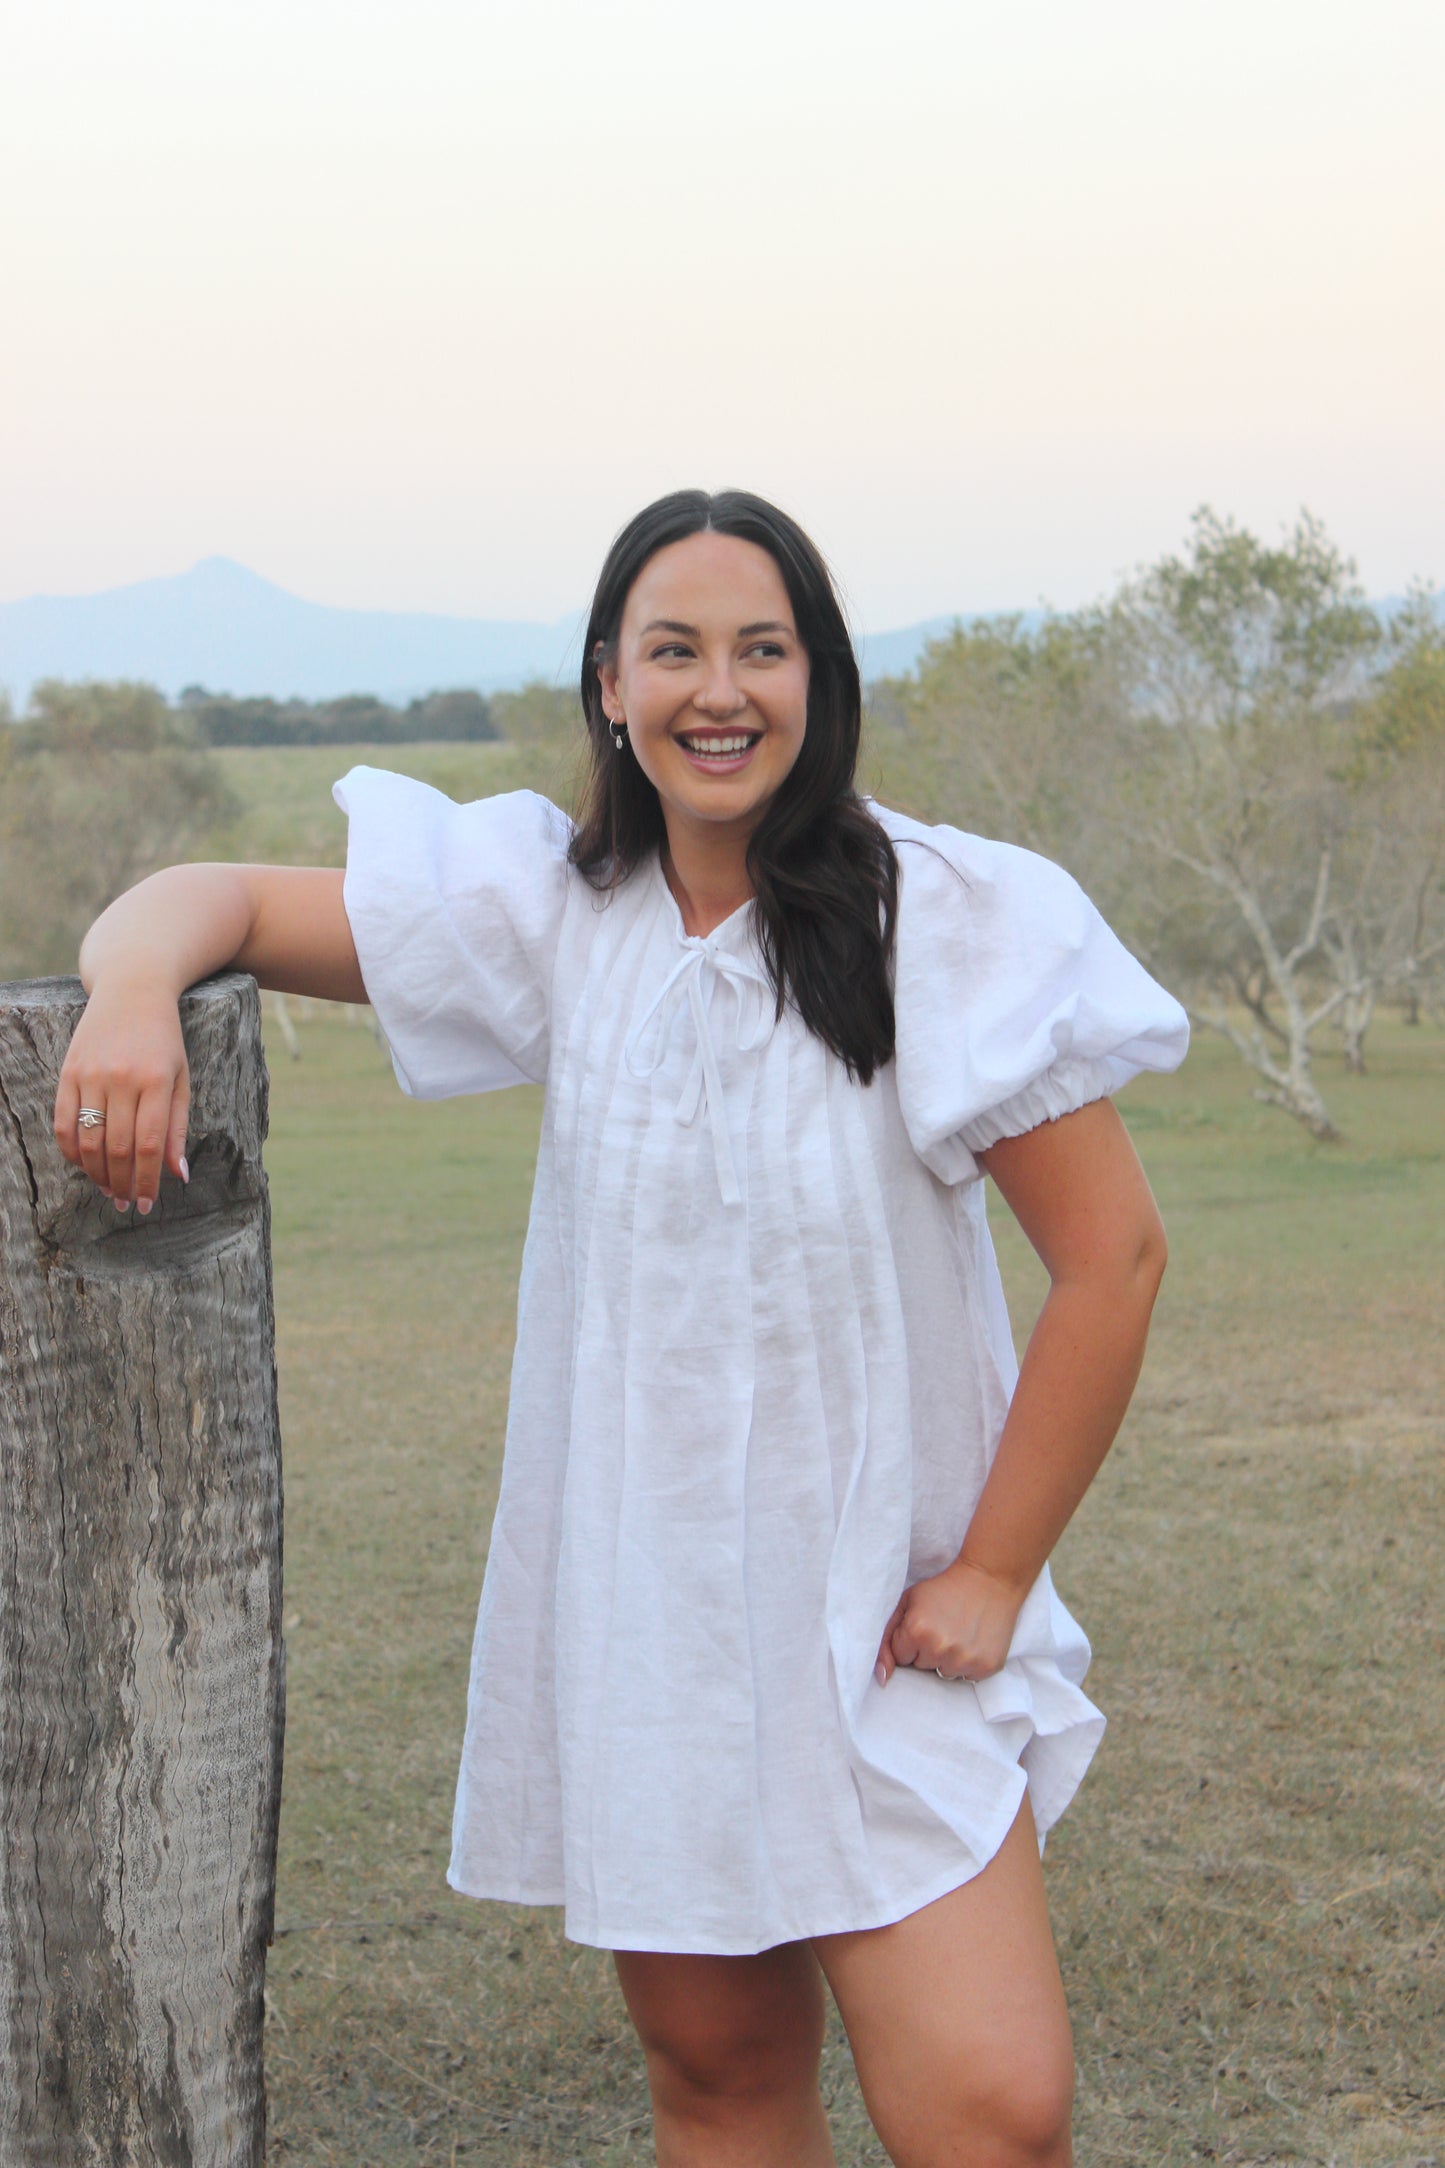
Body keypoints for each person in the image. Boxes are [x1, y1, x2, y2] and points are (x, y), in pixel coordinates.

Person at [55, 489, 1189, 2168]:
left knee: (992, 2114)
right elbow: (197, 892)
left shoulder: (937, 920)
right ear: (609, 683)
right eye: (673, 650)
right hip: (652, 1630)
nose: (716, 690)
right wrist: (133, 994)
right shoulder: (553, 909)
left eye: (760, 648)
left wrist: (992, 1576)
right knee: (720, 2089)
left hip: (881, 1619)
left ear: (819, 680)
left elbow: (1114, 1264)